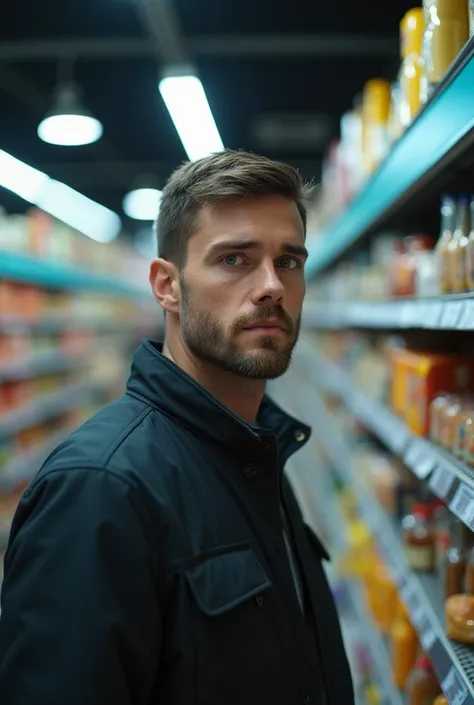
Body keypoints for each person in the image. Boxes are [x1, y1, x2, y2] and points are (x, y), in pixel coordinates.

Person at [0, 150, 354, 705]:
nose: (272, 287)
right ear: (166, 285)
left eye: (288, 261)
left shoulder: (258, 450)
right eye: (235, 260)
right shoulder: (98, 489)